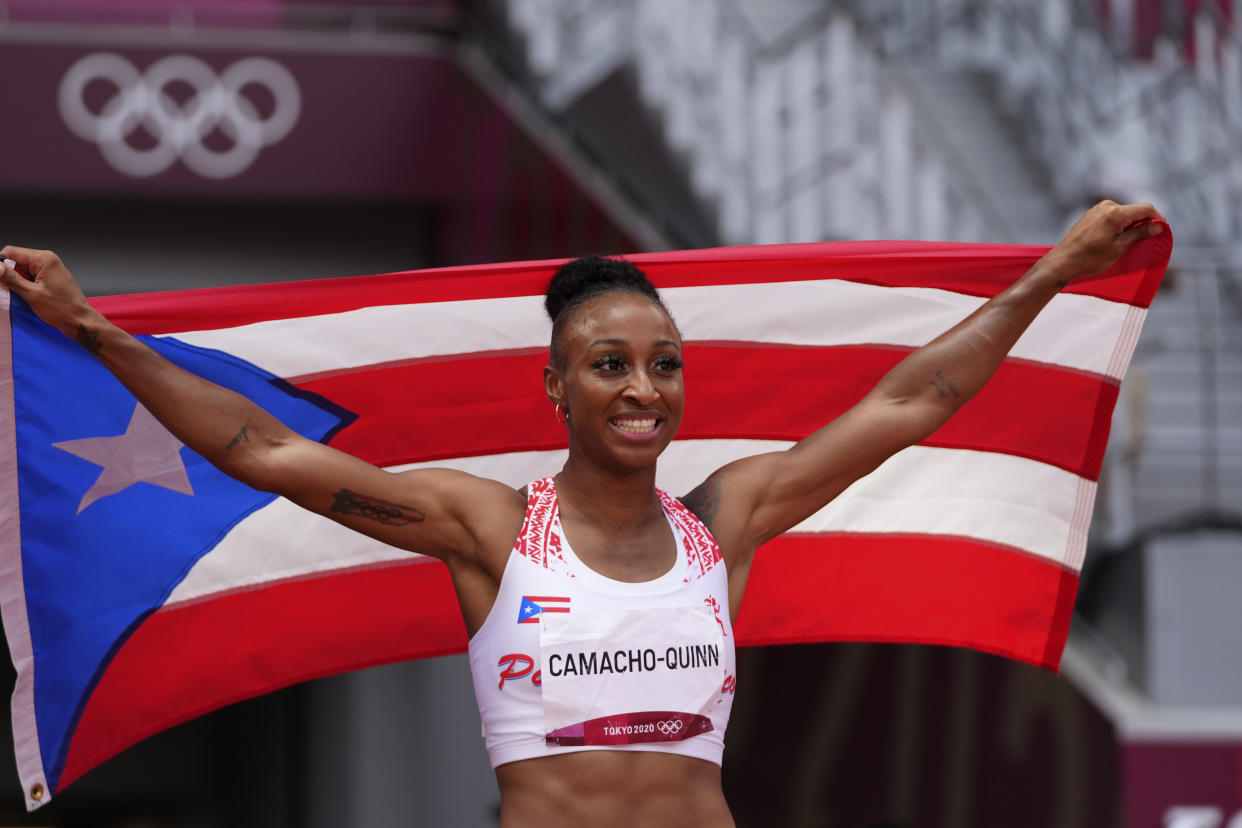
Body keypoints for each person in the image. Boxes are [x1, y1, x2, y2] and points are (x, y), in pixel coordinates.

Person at [0, 199, 1165, 827]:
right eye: (609, 364)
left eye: (664, 364)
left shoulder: (730, 518)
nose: (643, 388)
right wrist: (93, 328)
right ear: (555, 388)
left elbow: (914, 398)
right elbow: (261, 447)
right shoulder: (490, 530)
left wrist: (1053, 271)